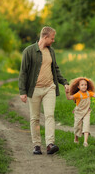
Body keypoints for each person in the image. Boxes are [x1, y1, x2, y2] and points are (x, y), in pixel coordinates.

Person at [19, 26, 70, 155]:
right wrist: (22, 91)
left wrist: (64, 82)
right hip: (34, 90)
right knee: (35, 118)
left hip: (49, 88)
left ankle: (49, 144)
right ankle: (36, 145)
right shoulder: (29, 51)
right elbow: (23, 73)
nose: (53, 41)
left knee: (49, 116)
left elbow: (56, 69)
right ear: (45, 37)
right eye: (52, 38)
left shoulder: (51, 51)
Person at [65, 77, 95, 147]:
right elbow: (69, 98)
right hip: (78, 112)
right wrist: (67, 92)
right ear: (78, 87)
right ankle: (76, 139)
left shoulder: (89, 93)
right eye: (82, 85)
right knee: (77, 127)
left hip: (86, 112)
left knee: (86, 125)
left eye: (85, 85)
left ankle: (85, 142)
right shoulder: (78, 94)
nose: (84, 86)